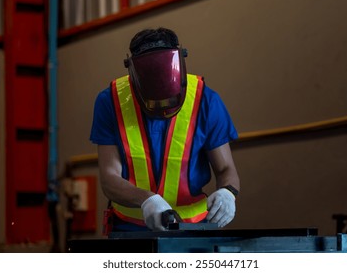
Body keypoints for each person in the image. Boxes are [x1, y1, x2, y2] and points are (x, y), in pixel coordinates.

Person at [90, 27, 240, 232]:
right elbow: (109, 178)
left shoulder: (205, 100)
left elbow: (226, 169)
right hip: (131, 231)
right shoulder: (110, 101)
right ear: (132, 72)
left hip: (193, 231)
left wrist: (227, 193)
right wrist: (146, 200)